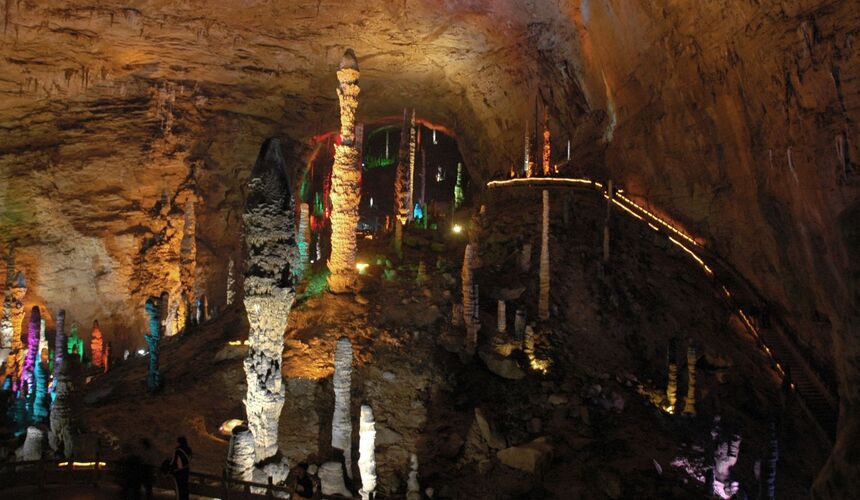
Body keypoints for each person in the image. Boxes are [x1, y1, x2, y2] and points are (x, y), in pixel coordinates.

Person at [170, 436, 192, 500]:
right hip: (186, 471)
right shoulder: (189, 449)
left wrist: (171, 469)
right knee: (185, 488)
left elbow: (173, 462)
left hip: (178, 472)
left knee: (179, 490)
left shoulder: (178, 450)